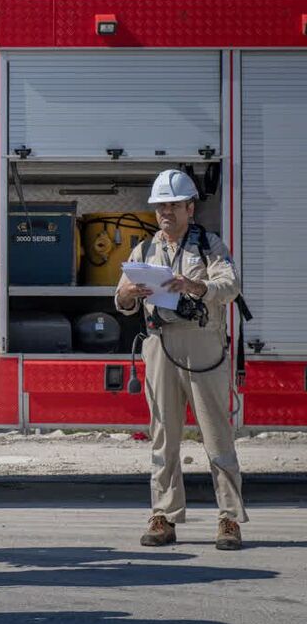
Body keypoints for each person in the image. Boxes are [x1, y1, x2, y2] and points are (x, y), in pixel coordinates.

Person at [115, 168, 246, 550]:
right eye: (160, 206)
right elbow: (121, 301)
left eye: (173, 204)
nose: (165, 212)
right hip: (159, 346)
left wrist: (196, 285)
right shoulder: (143, 250)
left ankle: (229, 519)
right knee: (163, 435)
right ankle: (164, 515)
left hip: (202, 345)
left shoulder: (209, 246)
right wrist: (127, 294)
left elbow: (231, 285)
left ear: (191, 207)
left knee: (216, 435)